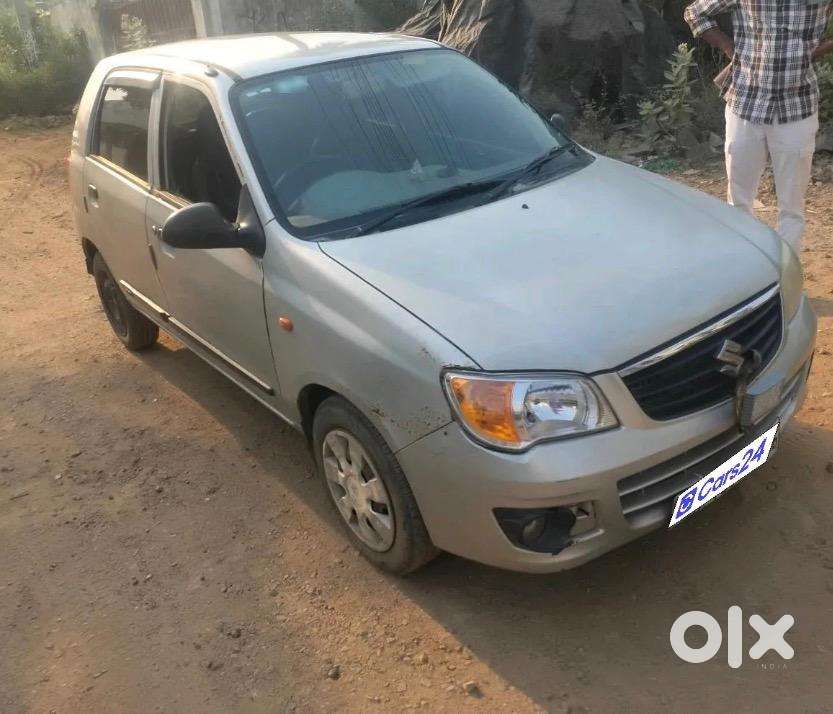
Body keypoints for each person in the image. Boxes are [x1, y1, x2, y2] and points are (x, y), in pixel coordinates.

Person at [684, 0, 833, 255]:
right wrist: (730, 48)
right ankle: (746, 265)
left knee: (792, 206)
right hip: (745, 104)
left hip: (797, 107)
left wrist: (811, 51)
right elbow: (695, 13)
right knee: (739, 200)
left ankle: (786, 274)